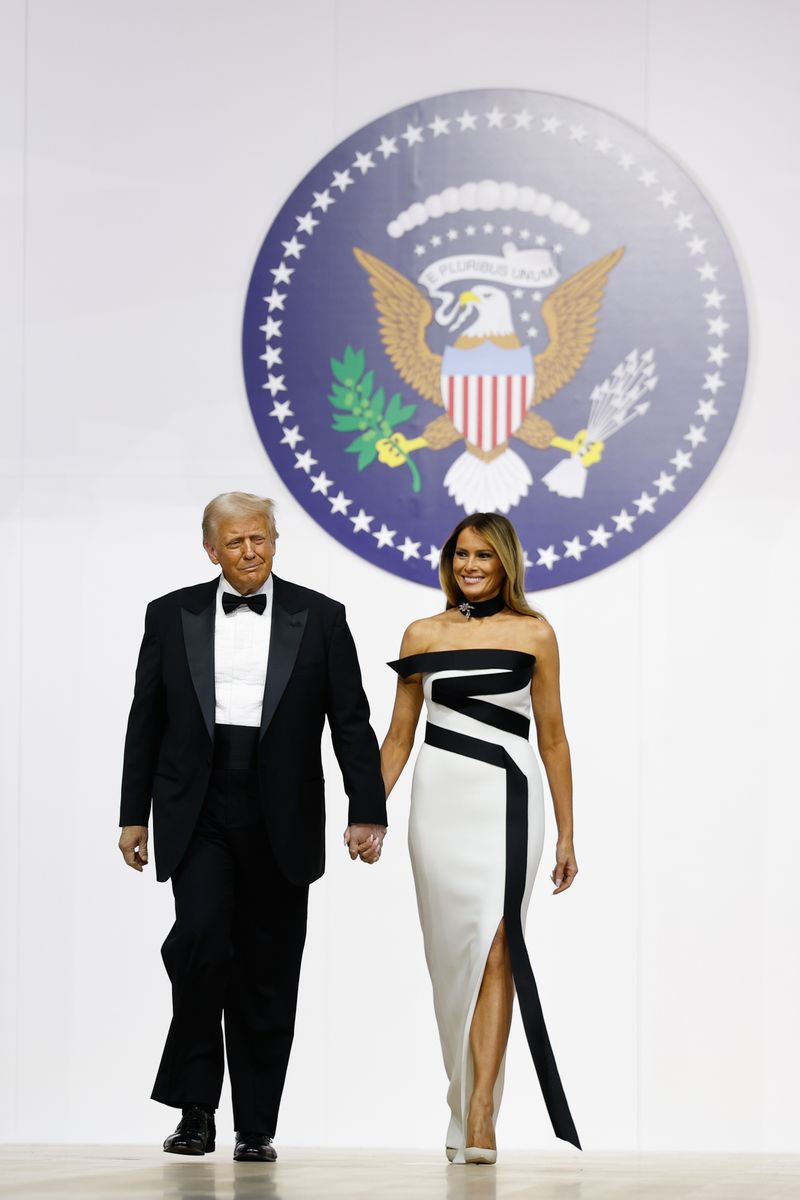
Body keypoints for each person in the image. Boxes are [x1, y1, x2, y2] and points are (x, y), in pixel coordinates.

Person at [118, 492, 386, 1162]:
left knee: (268, 969)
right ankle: (196, 1110)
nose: (250, 553)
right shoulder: (169, 614)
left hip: (282, 809)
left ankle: (256, 1125)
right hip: (197, 804)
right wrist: (132, 815)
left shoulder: (321, 617)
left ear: (275, 541)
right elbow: (144, 720)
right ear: (210, 548)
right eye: (236, 542)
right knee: (203, 947)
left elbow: (351, 721)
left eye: (261, 539)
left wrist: (367, 809)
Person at [381, 512, 580, 1165]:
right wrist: (365, 810)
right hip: (438, 806)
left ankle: (482, 1111)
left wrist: (567, 834)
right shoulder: (423, 633)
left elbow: (551, 735)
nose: (470, 565)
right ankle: (460, 1095)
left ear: (505, 564)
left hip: (510, 801)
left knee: (499, 946)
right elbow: (400, 737)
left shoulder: (535, 633)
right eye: (461, 554)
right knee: (451, 964)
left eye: (483, 556)